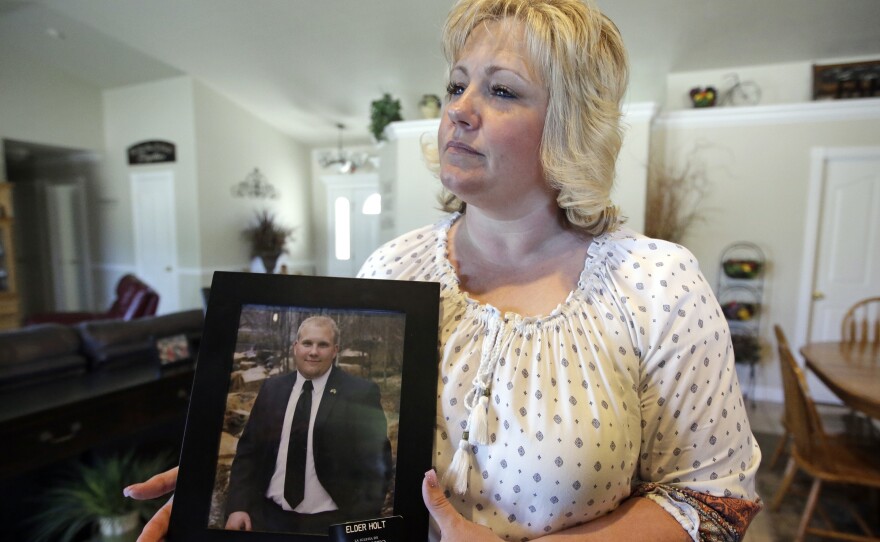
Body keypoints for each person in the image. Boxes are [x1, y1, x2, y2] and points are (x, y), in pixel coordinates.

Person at [125, 0, 762, 540]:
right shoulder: (391, 269)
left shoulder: (656, 285)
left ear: (572, 126)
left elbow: (711, 503)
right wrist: (227, 475)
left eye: (502, 89)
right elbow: (347, 446)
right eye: (457, 85)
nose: (460, 108)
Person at [223, 316, 391, 534]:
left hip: (331, 524)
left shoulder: (359, 393)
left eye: (323, 345)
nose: (313, 352)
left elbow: (377, 463)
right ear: (295, 347)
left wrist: (361, 520)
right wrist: (238, 507)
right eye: (307, 343)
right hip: (268, 519)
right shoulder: (272, 389)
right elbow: (249, 453)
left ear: (335, 350)